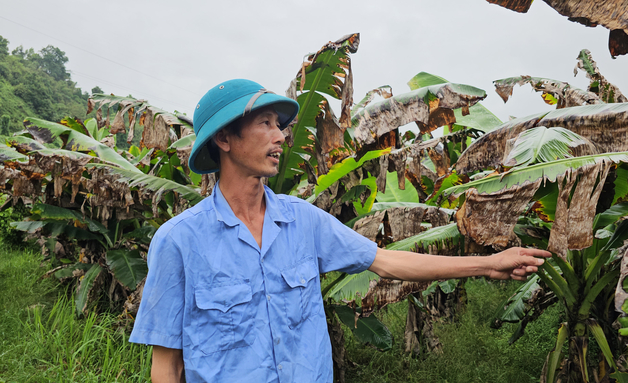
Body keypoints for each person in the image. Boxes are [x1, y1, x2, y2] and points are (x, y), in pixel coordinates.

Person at [129, 79, 550, 382]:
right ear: (224, 138)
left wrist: (487, 264)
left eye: (281, 125)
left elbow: (386, 261)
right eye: (266, 124)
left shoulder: (303, 220)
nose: (281, 136)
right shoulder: (179, 241)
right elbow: (167, 365)